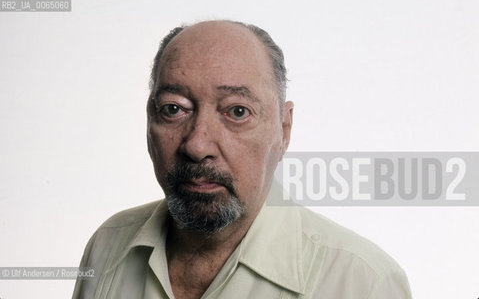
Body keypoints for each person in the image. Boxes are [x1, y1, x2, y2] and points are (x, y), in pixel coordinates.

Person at [72, 20, 412, 299]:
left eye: (237, 111)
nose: (197, 145)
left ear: (284, 129)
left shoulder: (363, 284)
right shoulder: (108, 246)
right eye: (173, 109)